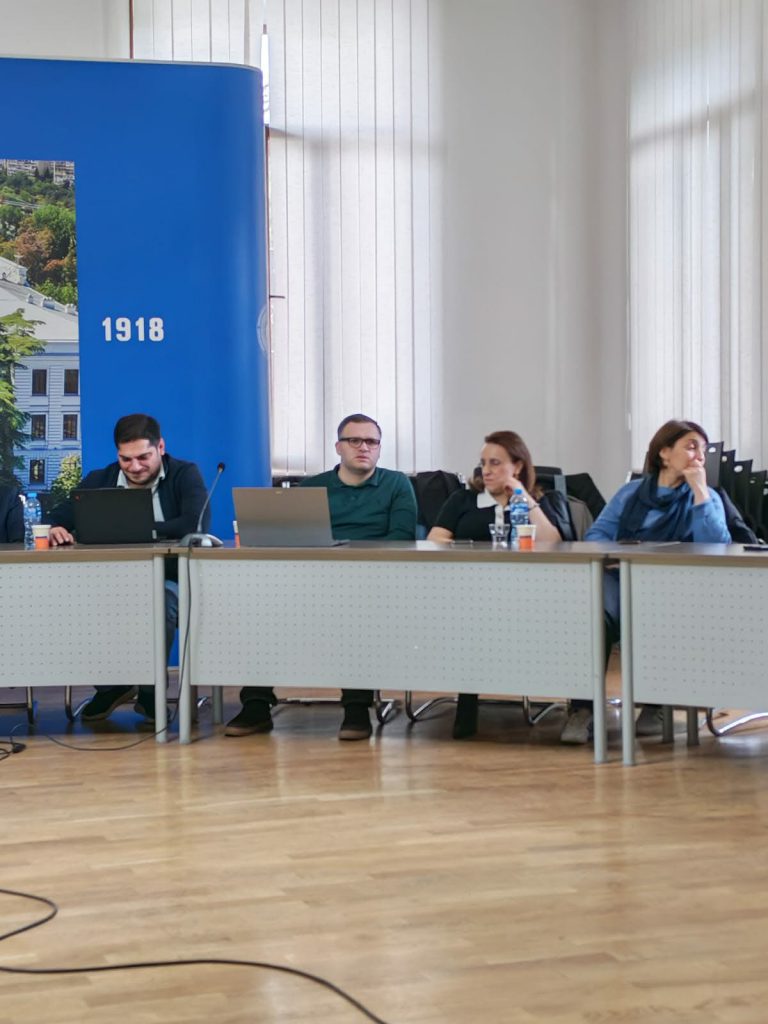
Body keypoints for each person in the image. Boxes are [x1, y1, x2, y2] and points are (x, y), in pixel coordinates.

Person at [225, 413, 417, 741]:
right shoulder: (313, 486)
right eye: (354, 440)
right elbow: (292, 537)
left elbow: (401, 538)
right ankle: (256, 705)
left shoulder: (396, 483)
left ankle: (356, 708)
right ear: (338, 447)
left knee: (356, 611)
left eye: (371, 442)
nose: (364, 447)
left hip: (371, 578)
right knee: (261, 608)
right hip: (313, 577)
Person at [560, 418, 732, 744]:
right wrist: (619, 556)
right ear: (664, 453)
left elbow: (717, 546)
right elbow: (596, 537)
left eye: (703, 449)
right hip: (624, 578)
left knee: (662, 613)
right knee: (592, 611)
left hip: (677, 588)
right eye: (691, 446)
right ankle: (583, 709)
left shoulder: (707, 497)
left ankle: (657, 706)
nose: (700, 455)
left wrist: (699, 491)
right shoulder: (631, 494)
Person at [48, 413, 209, 723]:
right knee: (80, 604)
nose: (135, 467)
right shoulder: (100, 479)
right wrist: (56, 527)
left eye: (143, 457)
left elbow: (194, 523)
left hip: (170, 577)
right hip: (111, 581)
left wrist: (137, 528)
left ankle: (150, 691)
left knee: (159, 604)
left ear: (161, 447)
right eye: (126, 459)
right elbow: (59, 515)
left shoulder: (184, 474)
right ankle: (114, 686)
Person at [427, 430, 573, 739]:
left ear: (517, 466)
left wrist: (521, 496)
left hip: (530, 595)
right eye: (483, 463)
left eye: (495, 463)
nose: (486, 470)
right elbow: (436, 539)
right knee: (471, 614)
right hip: (471, 591)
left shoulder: (544, 500)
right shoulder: (463, 499)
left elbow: (554, 543)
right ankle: (467, 702)